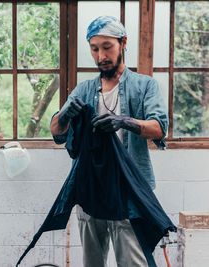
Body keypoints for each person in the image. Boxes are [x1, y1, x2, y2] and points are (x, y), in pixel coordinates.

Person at [50, 16, 168, 267]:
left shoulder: (144, 86)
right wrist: (65, 113)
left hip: (130, 192)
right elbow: (56, 132)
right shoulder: (83, 90)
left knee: (133, 262)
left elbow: (159, 128)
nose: (101, 55)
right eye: (94, 49)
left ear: (123, 42)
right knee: (93, 263)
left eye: (107, 47)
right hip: (91, 192)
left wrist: (124, 121)